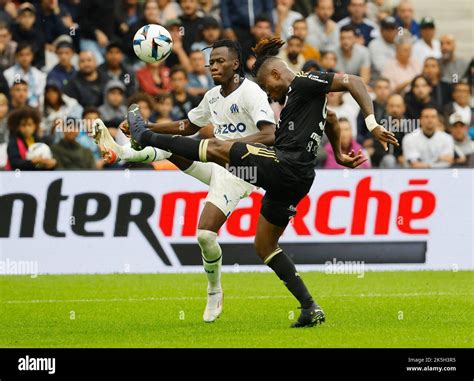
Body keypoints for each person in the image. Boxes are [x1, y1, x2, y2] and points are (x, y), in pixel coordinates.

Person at [125, 37, 398, 327]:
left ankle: (146, 138)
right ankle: (309, 307)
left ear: (277, 74)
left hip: (285, 164)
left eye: (269, 87)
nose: (270, 94)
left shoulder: (305, 81)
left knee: (219, 146)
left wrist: (372, 123)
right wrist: (340, 153)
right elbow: (330, 118)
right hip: (297, 180)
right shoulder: (302, 98)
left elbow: (353, 80)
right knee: (264, 245)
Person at [94, 39, 277, 323]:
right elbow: (187, 126)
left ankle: (214, 291)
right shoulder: (213, 96)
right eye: (211, 62)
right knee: (174, 144)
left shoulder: (251, 93)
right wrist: (148, 127)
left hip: (243, 171)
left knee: (205, 235)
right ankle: (120, 152)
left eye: (219, 61)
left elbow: (269, 135)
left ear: (236, 64)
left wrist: (233, 147)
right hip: (217, 163)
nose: (213, 66)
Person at [6, 106, 56, 170]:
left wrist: (52, 164)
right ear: (17, 126)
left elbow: (45, 161)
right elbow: (14, 162)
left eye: (29, 124)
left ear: (35, 125)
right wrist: (32, 162)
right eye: (23, 125)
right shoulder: (13, 142)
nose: (27, 128)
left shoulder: (40, 141)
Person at [4, 43, 47, 108]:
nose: (25, 58)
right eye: (21, 55)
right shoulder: (8, 74)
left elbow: (40, 96)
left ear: (32, 56)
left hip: (34, 108)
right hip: (14, 108)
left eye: (28, 54)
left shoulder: (40, 75)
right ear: (16, 56)